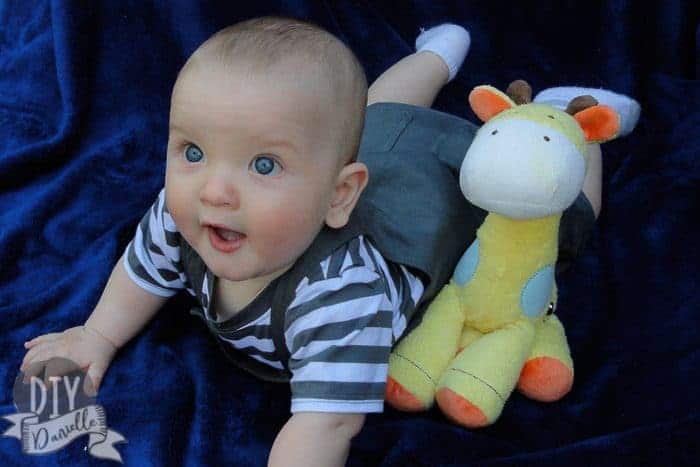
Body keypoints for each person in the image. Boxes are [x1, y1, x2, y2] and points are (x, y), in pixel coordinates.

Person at [19, 17, 639, 466]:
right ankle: (438, 55)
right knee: (375, 112)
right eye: (194, 151)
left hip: (438, 185)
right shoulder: (182, 215)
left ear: (338, 197)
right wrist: (96, 333)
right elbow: (142, 270)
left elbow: (327, 421)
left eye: (263, 166)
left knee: (556, 214)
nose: (215, 190)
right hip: (375, 147)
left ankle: (573, 126)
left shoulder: (343, 297)